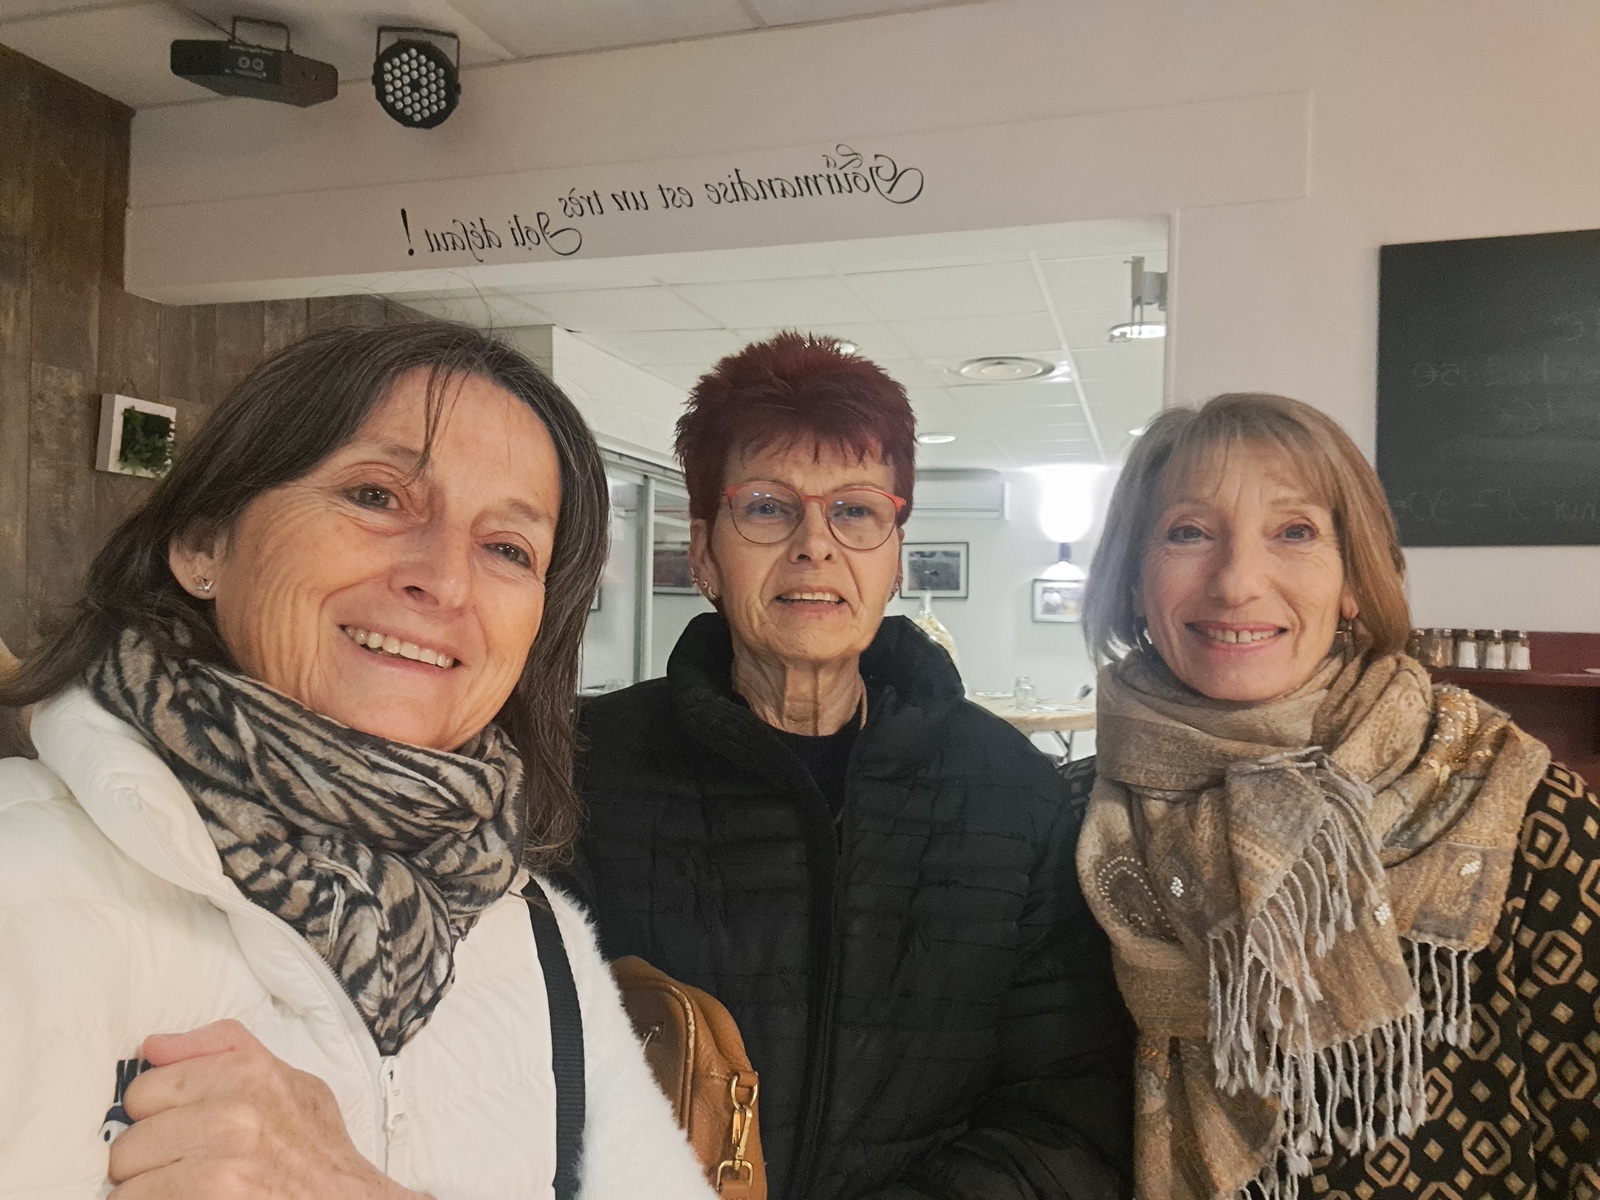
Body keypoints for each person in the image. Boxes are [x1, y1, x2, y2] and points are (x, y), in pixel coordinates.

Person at [0, 323, 714, 1199]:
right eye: (377, 496)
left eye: (507, 548)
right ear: (202, 543)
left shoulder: (537, 940)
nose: (444, 580)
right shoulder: (21, 887)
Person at [570, 332, 1135, 1200]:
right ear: (707, 552)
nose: (815, 545)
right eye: (768, 507)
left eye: (857, 511)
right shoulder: (581, 769)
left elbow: (1068, 1115)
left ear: (895, 554)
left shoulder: (1011, 796)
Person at [1077, 392, 1600, 1200]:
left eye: (1294, 532)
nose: (1236, 583)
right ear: (1135, 581)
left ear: (1353, 578)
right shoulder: (1062, 826)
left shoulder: (1519, 809)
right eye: (1187, 532)